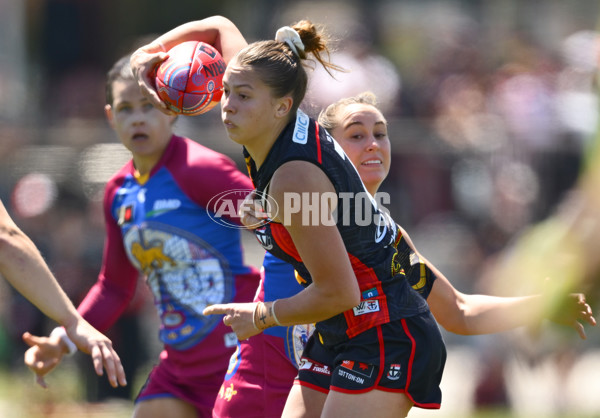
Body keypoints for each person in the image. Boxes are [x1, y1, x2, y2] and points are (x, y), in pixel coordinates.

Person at [133, 16, 446, 418]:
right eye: (226, 91)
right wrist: (149, 55)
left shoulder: (294, 180)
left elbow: (341, 291)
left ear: (282, 106)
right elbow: (218, 26)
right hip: (338, 330)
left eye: (242, 96)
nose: (227, 104)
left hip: (385, 329)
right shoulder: (269, 104)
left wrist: (262, 315)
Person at [214, 91, 598, 417]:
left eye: (381, 134)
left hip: (376, 345)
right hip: (319, 345)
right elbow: (257, 87)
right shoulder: (294, 193)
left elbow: (458, 310)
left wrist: (540, 306)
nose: (374, 145)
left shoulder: (387, 238)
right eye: (357, 135)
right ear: (326, 148)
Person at [23, 50, 260, 418]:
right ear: (110, 118)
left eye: (148, 106)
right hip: (179, 368)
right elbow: (114, 287)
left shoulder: (201, 170)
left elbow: (276, 226)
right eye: (125, 109)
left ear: (172, 109)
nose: (138, 119)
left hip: (240, 356)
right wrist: (63, 338)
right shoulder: (118, 192)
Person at [0, 198, 126, 389]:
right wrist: (71, 324)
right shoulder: (123, 186)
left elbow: (115, 286)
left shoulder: (123, 186)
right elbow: (4, 239)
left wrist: (65, 336)